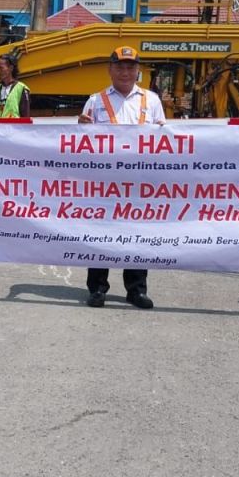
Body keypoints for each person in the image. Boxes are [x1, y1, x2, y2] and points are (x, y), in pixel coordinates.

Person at [78, 46, 166, 309]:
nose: (125, 72)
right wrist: (81, 128)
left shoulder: (151, 101)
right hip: (104, 182)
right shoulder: (95, 100)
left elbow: (166, 141)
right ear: (110, 69)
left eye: (130, 67)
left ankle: (136, 290)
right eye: (120, 66)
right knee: (100, 233)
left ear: (138, 71)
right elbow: (81, 142)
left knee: (137, 233)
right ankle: (97, 288)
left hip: (140, 182)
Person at [0, 53, 31, 118]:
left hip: (15, 128)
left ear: (11, 68)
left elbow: (25, 117)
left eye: (1, 68)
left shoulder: (21, 89)